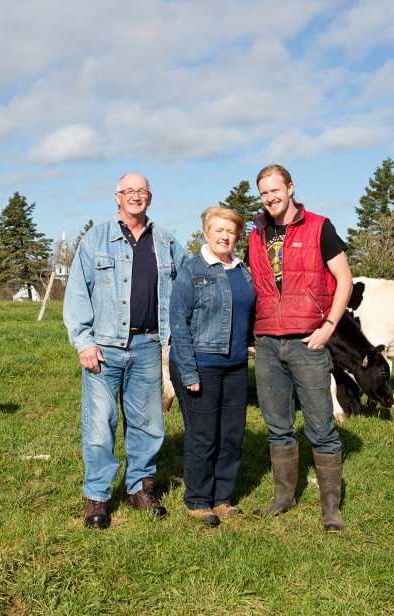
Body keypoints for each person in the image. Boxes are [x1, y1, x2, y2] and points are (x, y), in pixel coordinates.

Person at [63, 173, 187, 530]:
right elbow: (76, 293)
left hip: (149, 345)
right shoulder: (97, 238)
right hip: (103, 347)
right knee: (100, 425)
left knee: (148, 424)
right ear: (117, 197)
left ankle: (140, 488)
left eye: (142, 191)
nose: (136, 196)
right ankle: (97, 496)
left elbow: (188, 283)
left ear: (150, 197)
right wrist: (83, 342)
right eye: (129, 191)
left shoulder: (166, 242)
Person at [246, 164, 353, 532]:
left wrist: (329, 325)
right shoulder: (255, 233)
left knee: (321, 425)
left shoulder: (320, 227)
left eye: (276, 190)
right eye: (264, 193)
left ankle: (330, 508)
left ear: (291, 188)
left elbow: (345, 280)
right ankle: (283, 497)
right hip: (268, 343)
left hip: (308, 340)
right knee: (277, 425)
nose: (271, 198)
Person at [169, 207, 255, 527]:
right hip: (201, 364)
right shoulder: (192, 271)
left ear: (237, 236)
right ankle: (197, 499)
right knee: (203, 435)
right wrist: (189, 372)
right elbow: (178, 322)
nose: (224, 236)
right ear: (206, 232)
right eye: (218, 230)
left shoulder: (243, 270)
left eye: (231, 231)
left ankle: (222, 497)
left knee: (231, 434)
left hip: (235, 365)